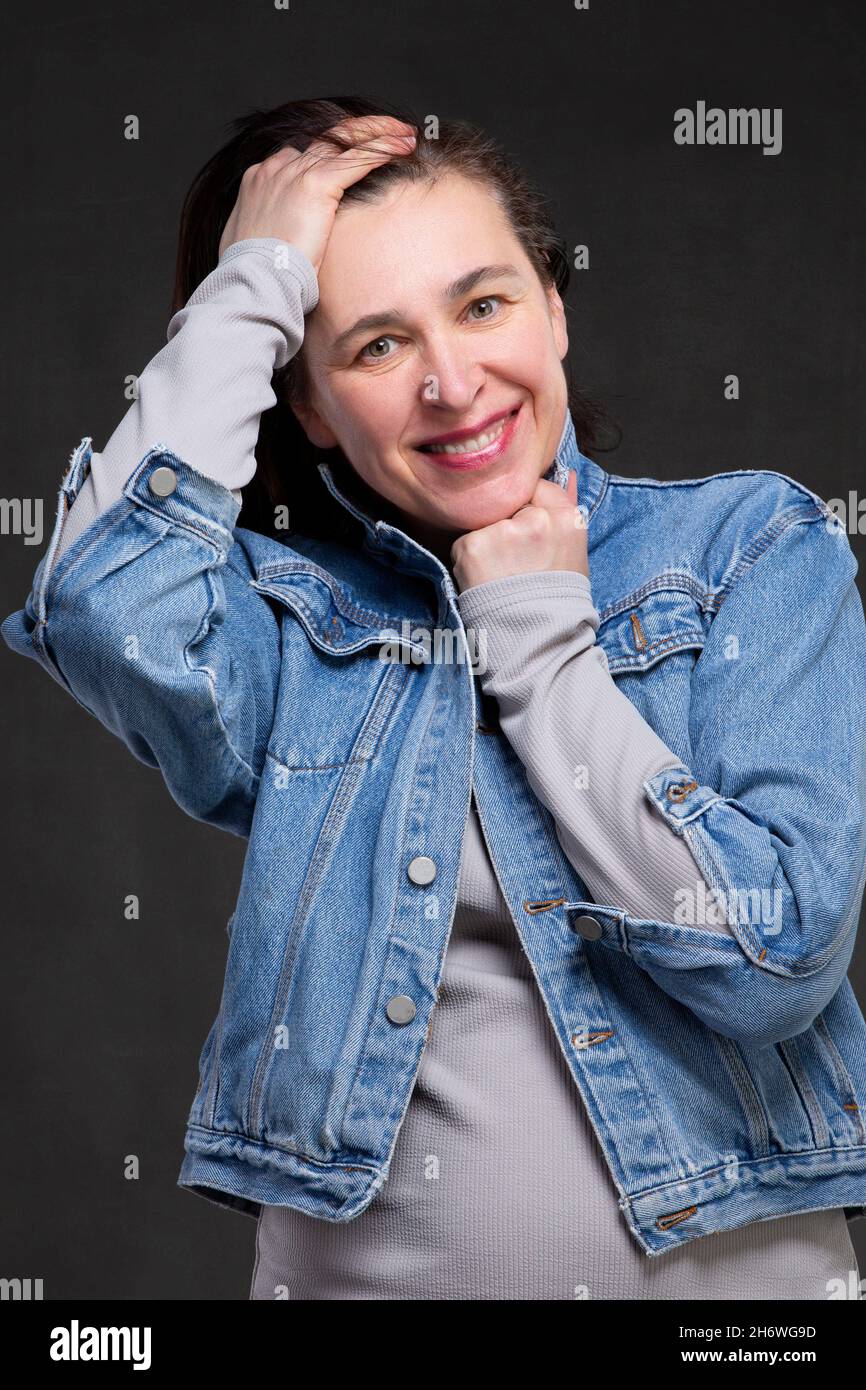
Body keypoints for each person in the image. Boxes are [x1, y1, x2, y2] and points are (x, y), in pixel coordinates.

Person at [4, 96, 866, 1301]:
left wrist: (540, 645)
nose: (453, 383)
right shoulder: (293, 621)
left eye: (482, 303)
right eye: (375, 345)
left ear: (553, 307)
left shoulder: (745, 548)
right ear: (302, 401)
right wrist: (247, 284)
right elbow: (102, 607)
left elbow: (768, 959)